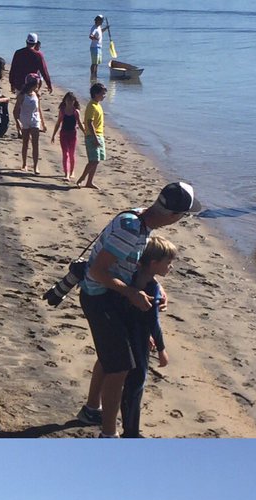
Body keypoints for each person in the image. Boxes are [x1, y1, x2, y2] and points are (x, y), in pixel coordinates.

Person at [76, 181, 199, 437]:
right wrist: (131, 292)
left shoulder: (141, 218)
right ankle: (108, 433)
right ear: (175, 217)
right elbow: (98, 271)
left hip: (109, 295)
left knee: (110, 355)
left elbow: (131, 263)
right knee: (120, 367)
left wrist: (156, 287)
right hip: (100, 298)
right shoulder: (132, 229)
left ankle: (91, 409)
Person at [117, 235, 177, 438]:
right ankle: (131, 431)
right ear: (154, 263)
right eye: (168, 263)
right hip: (139, 339)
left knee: (125, 382)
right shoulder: (151, 289)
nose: (171, 267)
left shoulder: (131, 277)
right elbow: (153, 322)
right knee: (137, 383)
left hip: (123, 332)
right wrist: (162, 350)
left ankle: (127, 426)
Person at [73, 81, 107, 187]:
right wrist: (95, 138)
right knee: (93, 160)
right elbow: (89, 123)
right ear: (96, 94)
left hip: (99, 135)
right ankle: (82, 178)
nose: (104, 96)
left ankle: (89, 182)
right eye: (102, 94)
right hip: (92, 136)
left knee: (97, 161)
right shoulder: (91, 106)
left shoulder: (97, 105)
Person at [8, 32, 53, 106]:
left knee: (20, 105)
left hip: (19, 84)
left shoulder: (18, 53)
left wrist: (12, 83)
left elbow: (13, 69)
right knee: (31, 106)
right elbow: (44, 71)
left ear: (26, 41)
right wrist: (49, 84)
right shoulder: (38, 55)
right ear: (36, 43)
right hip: (32, 85)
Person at [14, 74, 45, 173]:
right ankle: (24, 164)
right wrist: (18, 123)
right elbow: (15, 111)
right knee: (25, 143)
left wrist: (43, 123)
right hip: (25, 120)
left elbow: (39, 109)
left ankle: (36, 166)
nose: (38, 86)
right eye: (37, 84)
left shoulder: (36, 94)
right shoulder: (22, 96)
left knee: (35, 143)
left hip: (35, 120)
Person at [52, 90, 80, 182]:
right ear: (65, 101)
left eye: (71, 100)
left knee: (71, 154)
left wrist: (86, 133)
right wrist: (53, 135)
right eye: (68, 100)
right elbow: (58, 123)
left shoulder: (76, 112)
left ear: (74, 101)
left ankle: (72, 172)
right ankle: (66, 174)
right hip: (63, 134)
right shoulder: (62, 111)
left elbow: (80, 124)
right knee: (65, 154)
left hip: (73, 134)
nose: (69, 102)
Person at [89, 15, 105, 79]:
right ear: (98, 20)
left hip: (99, 47)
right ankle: (92, 75)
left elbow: (100, 31)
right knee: (94, 63)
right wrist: (96, 38)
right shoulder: (94, 28)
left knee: (97, 63)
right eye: (101, 20)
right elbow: (90, 36)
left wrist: (106, 28)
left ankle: (95, 75)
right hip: (94, 47)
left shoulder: (98, 27)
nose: (102, 22)